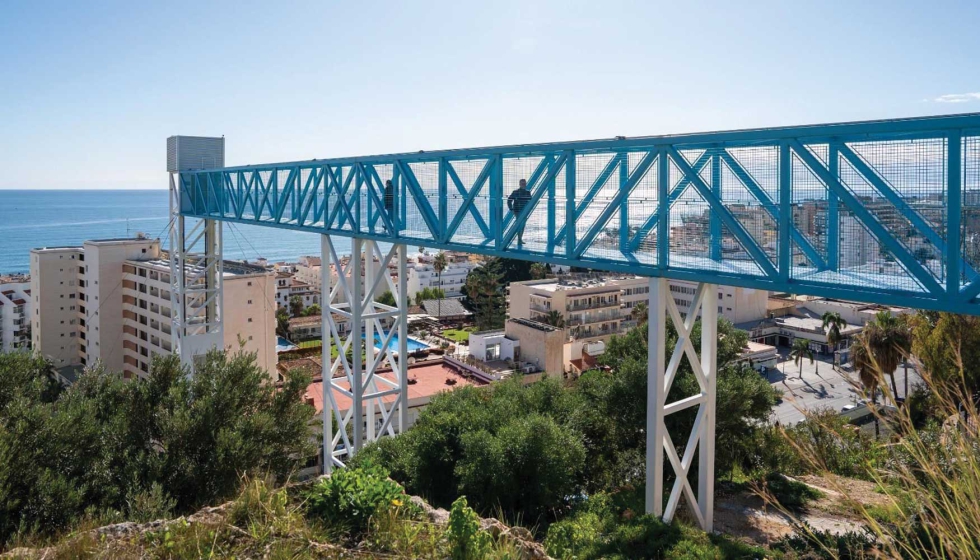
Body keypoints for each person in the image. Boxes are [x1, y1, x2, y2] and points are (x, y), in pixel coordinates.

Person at [507, 178, 531, 247]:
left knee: (523, 225)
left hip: (525, 211)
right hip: (517, 211)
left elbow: (531, 201)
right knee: (519, 225)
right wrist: (512, 210)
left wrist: (528, 210)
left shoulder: (528, 192)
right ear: (519, 184)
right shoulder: (515, 192)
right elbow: (509, 200)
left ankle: (520, 239)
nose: (523, 185)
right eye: (522, 183)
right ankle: (519, 240)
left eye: (524, 183)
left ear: (526, 184)